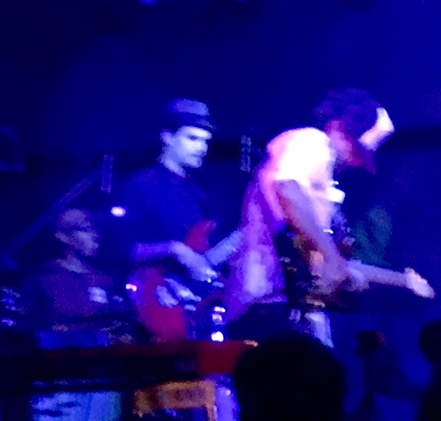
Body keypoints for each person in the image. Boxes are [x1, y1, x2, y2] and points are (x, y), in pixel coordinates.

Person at [222, 89, 396, 346]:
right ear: (338, 126)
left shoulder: (324, 179)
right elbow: (287, 188)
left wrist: (397, 280)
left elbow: (312, 253)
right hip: (267, 304)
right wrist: (332, 257)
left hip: (286, 307)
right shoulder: (311, 142)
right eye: (356, 150)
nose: (356, 162)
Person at [109, 98, 227, 286]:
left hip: (190, 293)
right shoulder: (139, 185)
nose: (201, 148)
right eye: (192, 138)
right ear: (167, 137)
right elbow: (116, 249)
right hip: (149, 291)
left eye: (205, 141)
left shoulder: (200, 193)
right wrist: (173, 248)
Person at [22, 207, 117, 335]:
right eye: (86, 229)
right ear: (63, 236)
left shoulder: (102, 279)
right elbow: (26, 325)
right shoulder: (43, 278)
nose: (95, 235)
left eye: (96, 230)